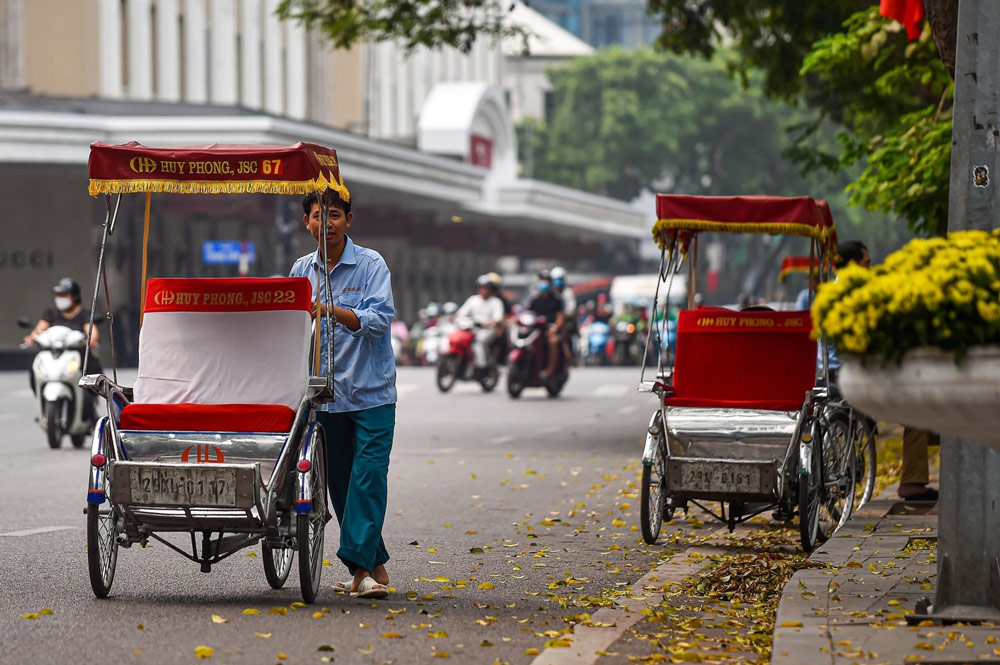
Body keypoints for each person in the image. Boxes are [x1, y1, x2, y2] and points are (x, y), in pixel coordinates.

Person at [289, 189, 396, 599]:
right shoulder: (301, 270)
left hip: (372, 394)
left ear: (348, 220)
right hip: (325, 399)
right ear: (308, 222)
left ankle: (361, 571)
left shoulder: (371, 265)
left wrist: (330, 309)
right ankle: (374, 567)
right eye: (319, 215)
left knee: (368, 479)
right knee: (341, 485)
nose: (327, 223)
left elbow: (379, 319)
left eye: (335, 215)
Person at [23, 278, 103, 417]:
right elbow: (39, 329)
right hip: (55, 355)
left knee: (92, 368)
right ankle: (43, 400)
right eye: (58, 295)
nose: (60, 299)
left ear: (75, 296)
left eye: (64, 295)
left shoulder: (84, 315)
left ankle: (91, 405)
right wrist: (32, 337)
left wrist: (91, 340)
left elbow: (92, 332)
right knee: (35, 368)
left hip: (77, 355)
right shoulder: (51, 314)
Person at [455, 275, 504, 369]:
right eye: (481, 287)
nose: (483, 290)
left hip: (487, 329)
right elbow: (462, 312)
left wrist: (490, 323)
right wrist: (456, 317)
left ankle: (481, 365)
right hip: (471, 328)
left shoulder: (496, 302)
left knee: (478, 342)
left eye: (486, 288)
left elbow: (498, 317)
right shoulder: (473, 300)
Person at [527, 280, 565, 379]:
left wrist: (555, 328)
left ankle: (550, 369)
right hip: (536, 329)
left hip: (550, 328)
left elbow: (560, 317)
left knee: (553, 342)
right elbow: (527, 313)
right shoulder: (535, 300)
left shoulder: (556, 300)